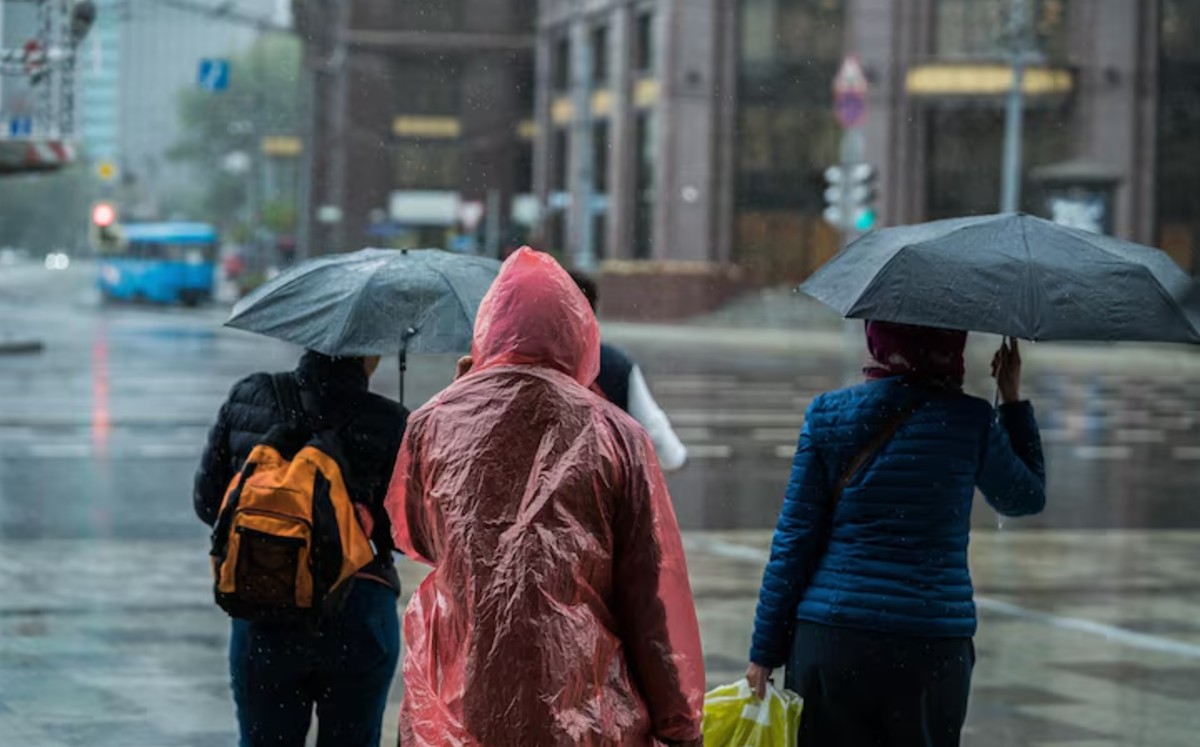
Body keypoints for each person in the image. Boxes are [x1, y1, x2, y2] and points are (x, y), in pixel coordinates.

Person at [386, 248, 705, 746]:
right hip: (579, 703)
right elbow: (650, 592)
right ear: (579, 332)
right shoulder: (617, 435)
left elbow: (421, 539)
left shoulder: (433, 422)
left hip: (460, 704)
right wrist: (678, 722)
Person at [746, 322, 1045, 747]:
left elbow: (794, 541)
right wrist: (1011, 400)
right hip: (930, 644)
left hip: (834, 638)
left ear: (878, 338)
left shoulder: (827, 414)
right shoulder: (971, 420)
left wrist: (764, 651)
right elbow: (1025, 498)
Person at [193, 350, 408, 747]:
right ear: (370, 352)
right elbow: (409, 535)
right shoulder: (390, 420)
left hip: (265, 602)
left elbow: (209, 503)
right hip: (358, 611)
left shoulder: (250, 395)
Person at [568, 269, 688, 471]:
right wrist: (675, 457)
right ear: (592, 312)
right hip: (600, 488)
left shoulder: (526, 363)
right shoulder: (614, 365)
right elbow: (652, 428)